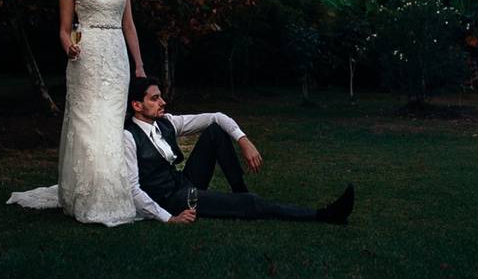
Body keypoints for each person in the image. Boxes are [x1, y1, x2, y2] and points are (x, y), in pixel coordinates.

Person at [7, 0, 146, 226]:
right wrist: (68, 46)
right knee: (88, 126)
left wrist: (138, 65)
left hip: (117, 58)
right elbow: (64, 29)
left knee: (110, 125)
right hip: (87, 58)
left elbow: (129, 26)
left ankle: (113, 193)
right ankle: (88, 196)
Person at [125, 76, 355, 224]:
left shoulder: (166, 122)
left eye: (161, 97)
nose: (163, 102)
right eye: (155, 99)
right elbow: (134, 190)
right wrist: (169, 219)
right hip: (172, 200)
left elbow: (216, 117)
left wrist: (243, 140)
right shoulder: (129, 137)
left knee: (215, 131)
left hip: (184, 183)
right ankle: (324, 215)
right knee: (250, 203)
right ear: (137, 105)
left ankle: (239, 190)